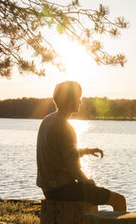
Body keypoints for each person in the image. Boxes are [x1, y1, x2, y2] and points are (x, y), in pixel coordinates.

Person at [36, 81, 126, 211]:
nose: (80, 101)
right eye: (78, 97)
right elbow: (74, 168)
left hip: (48, 189)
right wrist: (87, 182)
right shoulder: (65, 127)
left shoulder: (48, 120)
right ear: (70, 100)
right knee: (118, 200)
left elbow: (60, 153)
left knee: (90, 189)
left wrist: (86, 151)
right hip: (62, 190)